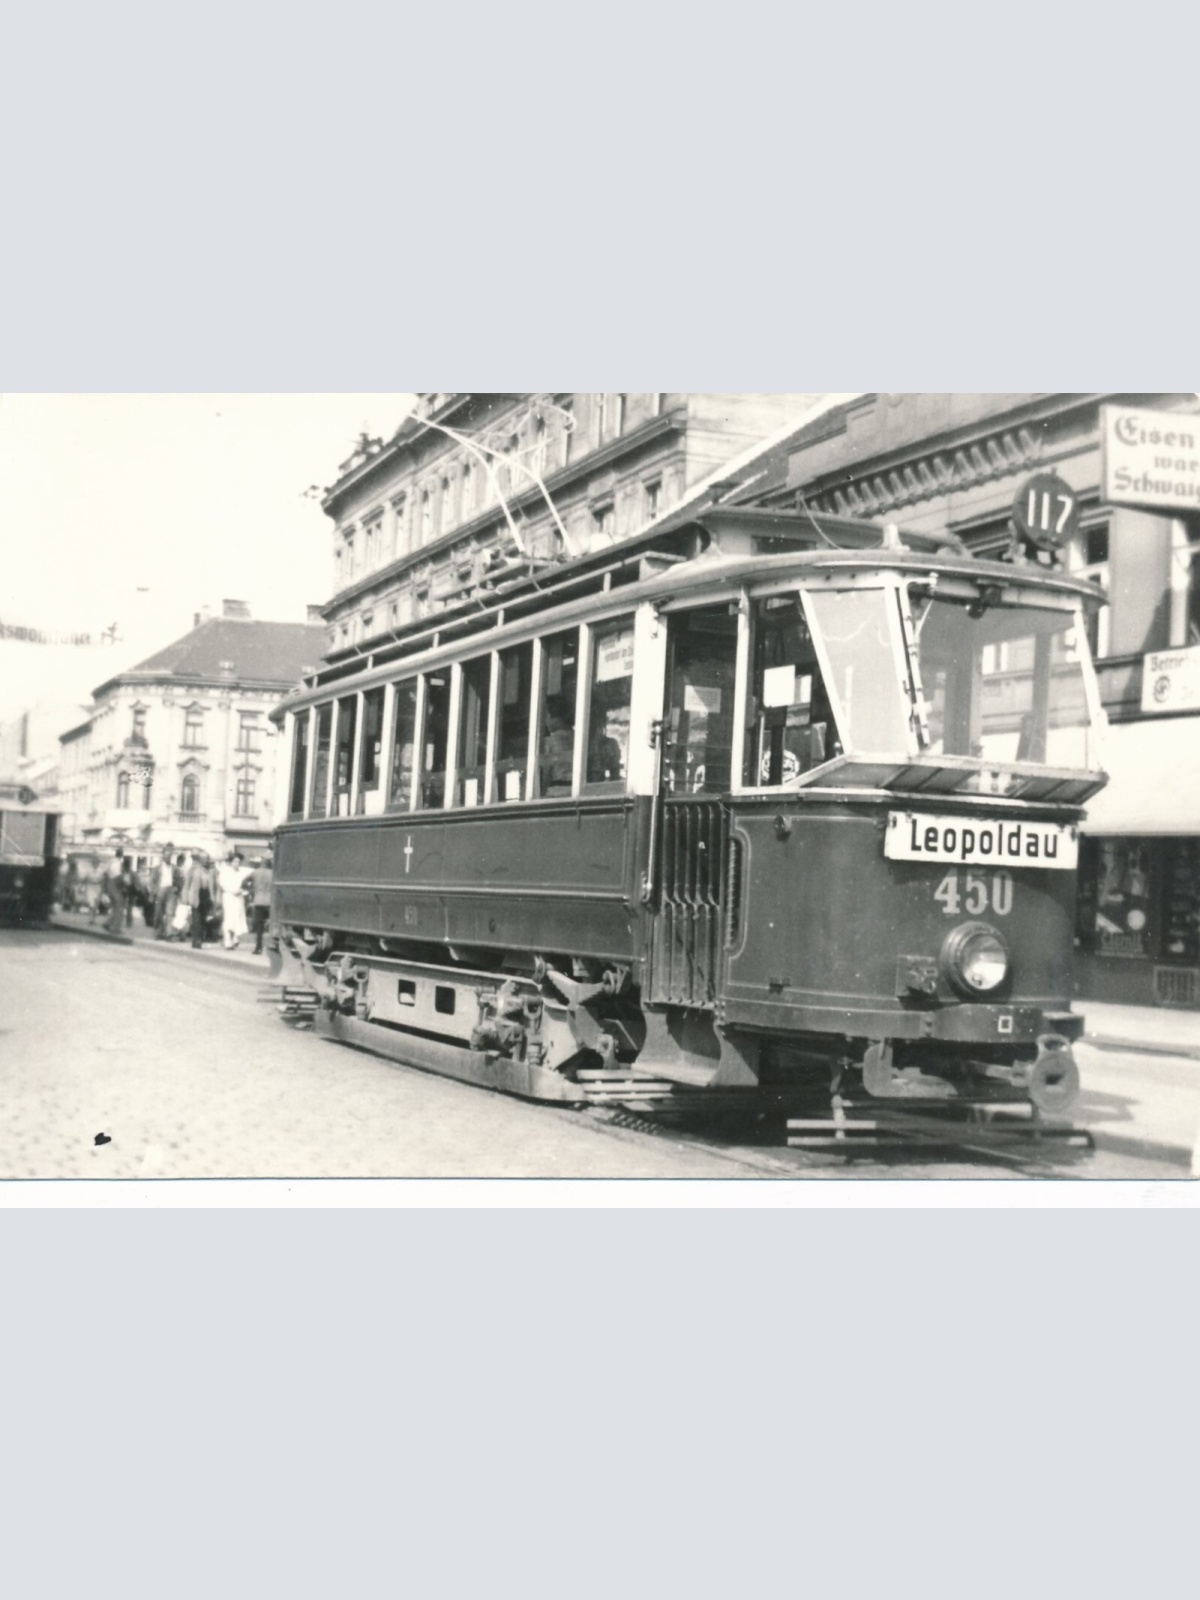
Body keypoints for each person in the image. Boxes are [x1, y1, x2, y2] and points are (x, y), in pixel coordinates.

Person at [217, 850, 248, 950]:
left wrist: (242, 890)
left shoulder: (241, 872)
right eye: (235, 861)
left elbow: (245, 883)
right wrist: (233, 891)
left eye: (238, 862)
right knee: (229, 918)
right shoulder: (225, 872)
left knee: (237, 917)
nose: (237, 864)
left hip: (238, 898)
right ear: (231, 862)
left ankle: (235, 938)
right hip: (229, 897)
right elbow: (223, 884)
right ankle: (227, 941)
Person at [181, 852, 209, 948]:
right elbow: (186, 884)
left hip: (205, 896)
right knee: (196, 919)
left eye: (207, 858)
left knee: (202, 919)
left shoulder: (209, 870)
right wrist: (185, 897)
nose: (206, 860)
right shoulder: (193, 870)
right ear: (200, 860)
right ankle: (197, 940)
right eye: (204, 858)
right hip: (195, 896)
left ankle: (197, 939)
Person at [249, 855, 273, 955]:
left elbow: (244, 881)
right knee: (273, 926)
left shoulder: (255, 872)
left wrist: (252, 890)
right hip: (270, 901)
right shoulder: (273, 873)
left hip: (258, 901)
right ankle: (274, 947)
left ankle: (258, 947)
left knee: (259, 927)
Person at [153, 844, 176, 939]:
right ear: (162, 856)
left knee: (169, 913)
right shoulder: (157, 868)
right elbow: (152, 881)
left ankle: (169, 933)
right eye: (166, 856)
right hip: (160, 890)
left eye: (169, 856)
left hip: (170, 891)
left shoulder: (174, 868)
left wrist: (176, 888)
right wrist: (154, 891)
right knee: (159, 913)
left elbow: (179, 880)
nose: (168, 858)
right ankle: (159, 932)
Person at [103, 848, 126, 935]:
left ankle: (107, 923)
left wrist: (105, 889)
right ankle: (116, 928)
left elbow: (105, 874)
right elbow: (118, 876)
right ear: (121, 855)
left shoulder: (110, 862)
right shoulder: (117, 863)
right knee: (120, 907)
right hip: (115, 885)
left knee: (115, 906)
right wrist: (123, 886)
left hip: (109, 883)